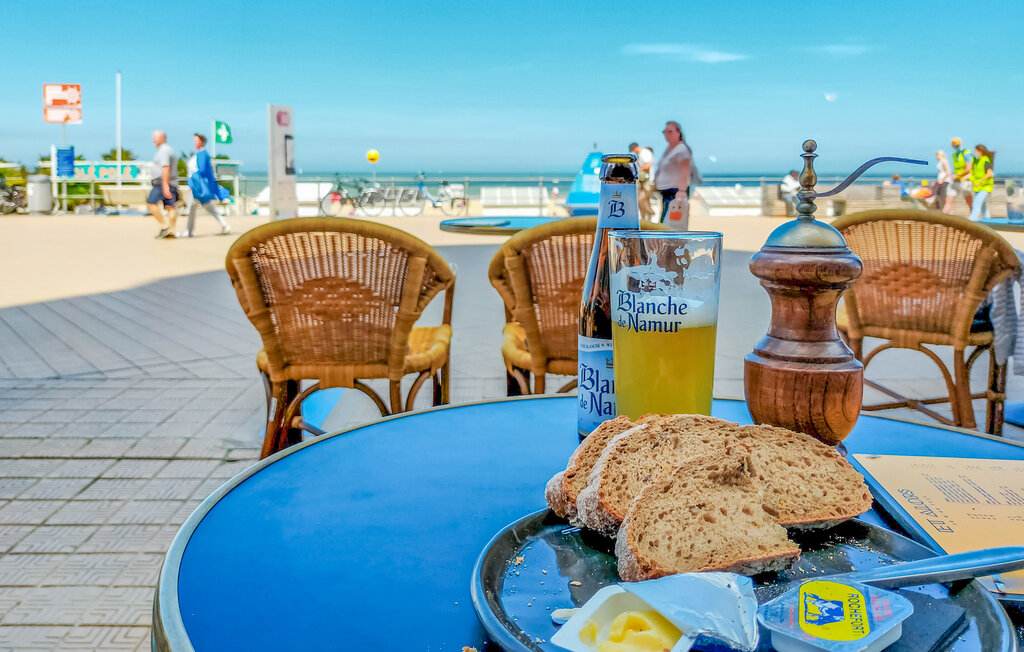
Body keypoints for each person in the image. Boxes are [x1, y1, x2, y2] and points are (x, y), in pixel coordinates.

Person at [180, 133, 231, 237]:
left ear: (202, 142)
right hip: (198, 186)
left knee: (197, 207)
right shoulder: (202, 154)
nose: (194, 142)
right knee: (202, 207)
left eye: (196, 140)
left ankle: (189, 231)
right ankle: (224, 225)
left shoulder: (202, 155)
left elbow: (202, 171)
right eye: (194, 140)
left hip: (197, 187)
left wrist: (192, 183)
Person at [654, 121, 692, 229]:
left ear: (678, 133)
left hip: (675, 190)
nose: (667, 134)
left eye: (670, 131)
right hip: (667, 190)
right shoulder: (670, 149)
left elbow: (684, 170)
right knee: (666, 221)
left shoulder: (681, 149)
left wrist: (681, 191)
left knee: (670, 223)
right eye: (665, 132)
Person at [147, 130, 179, 239]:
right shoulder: (169, 150)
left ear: (163, 138)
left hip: (162, 182)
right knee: (170, 206)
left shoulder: (164, 150)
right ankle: (171, 230)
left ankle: (164, 226)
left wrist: (165, 185)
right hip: (171, 182)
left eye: (156, 137)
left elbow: (165, 167)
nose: (154, 140)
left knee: (151, 203)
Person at [968, 144, 995, 221]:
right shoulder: (975, 160)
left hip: (985, 186)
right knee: (983, 205)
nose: (974, 152)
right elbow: (972, 173)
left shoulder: (985, 159)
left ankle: (971, 220)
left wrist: (980, 181)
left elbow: (989, 173)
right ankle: (988, 220)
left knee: (976, 203)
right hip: (977, 187)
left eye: (975, 150)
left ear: (979, 151)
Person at [630, 142, 655, 221]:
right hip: (645, 181)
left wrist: (637, 170)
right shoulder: (642, 154)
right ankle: (645, 220)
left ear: (635, 148)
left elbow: (647, 166)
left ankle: (651, 213)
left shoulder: (644, 153)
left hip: (647, 181)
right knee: (644, 201)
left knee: (641, 200)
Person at [950, 137, 974, 212]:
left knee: (969, 201)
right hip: (956, 181)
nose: (955, 146)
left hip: (966, 180)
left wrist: (957, 175)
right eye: (954, 145)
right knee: (949, 199)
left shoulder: (966, 153)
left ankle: (973, 216)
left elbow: (968, 168)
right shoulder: (955, 155)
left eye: (957, 145)